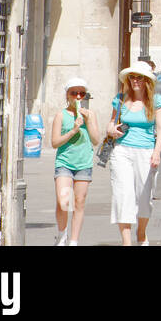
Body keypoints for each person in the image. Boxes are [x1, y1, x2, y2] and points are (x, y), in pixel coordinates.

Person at [107, 64, 161, 245]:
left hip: (146, 151)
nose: (135, 81)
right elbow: (110, 124)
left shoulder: (156, 100)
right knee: (122, 195)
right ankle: (126, 241)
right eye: (132, 77)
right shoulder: (120, 99)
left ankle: (141, 233)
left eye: (139, 77)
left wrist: (157, 152)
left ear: (147, 81)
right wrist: (112, 130)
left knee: (144, 196)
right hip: (122, 150)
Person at [49, 77, 100, 246]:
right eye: (74, 93)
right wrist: (73, 130)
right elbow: (55, 142)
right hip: (65, 163)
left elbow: (95, 140)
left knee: (79, 202)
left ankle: (73, 240)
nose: (78, 97)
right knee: (64, 201)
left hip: (84, 163)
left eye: (81, 94)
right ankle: (62, 233)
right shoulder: (60, 115)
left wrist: (88, 121)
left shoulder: (90, 114)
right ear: (67, 96)